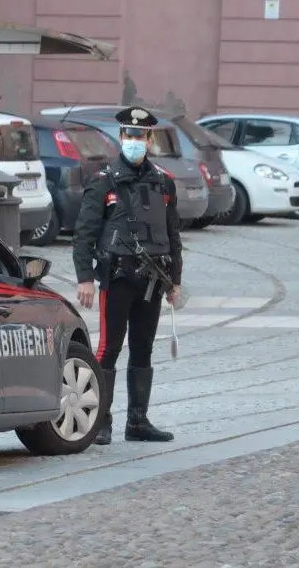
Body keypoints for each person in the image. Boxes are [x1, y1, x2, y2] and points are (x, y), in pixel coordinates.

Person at [71, 106, 182, 445]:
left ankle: (138, 421)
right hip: (116, 278)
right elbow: (84, 233)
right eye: (129, 135)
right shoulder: (104, 181)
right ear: (121, 138)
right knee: (108, 349)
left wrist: (175, 281)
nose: (134, 141)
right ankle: (100, 420)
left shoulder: (163, 182)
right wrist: (85, 278)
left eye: (140, 136)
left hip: (152, 281)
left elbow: (173, 234)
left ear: (150, 139)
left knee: (143, 348)